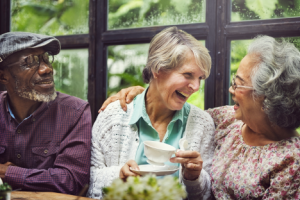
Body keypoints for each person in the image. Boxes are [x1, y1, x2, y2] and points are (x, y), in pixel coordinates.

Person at [100, 35, 300, 199]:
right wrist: (140, 93)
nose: (231, 89)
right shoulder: (227, 120)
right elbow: (168, 107)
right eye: (188, 75)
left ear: (265, 98)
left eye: (238, 83)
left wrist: (194, 177)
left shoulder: (291, 160)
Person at [87, 27, 215, 199]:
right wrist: (119, 176)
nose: (196, 87)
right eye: (188, 75)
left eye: (200, 78)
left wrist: (194, 178)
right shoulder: (113, 115)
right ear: (158, 69)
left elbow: (207, 194)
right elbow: (88, 179)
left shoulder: (203, 123)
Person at [0, 32, 92, 195]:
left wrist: (7, 173)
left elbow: (72, 181)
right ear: (3, 76)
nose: (47, 69)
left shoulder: (75, 112)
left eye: (46, 59)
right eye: (30, 62)